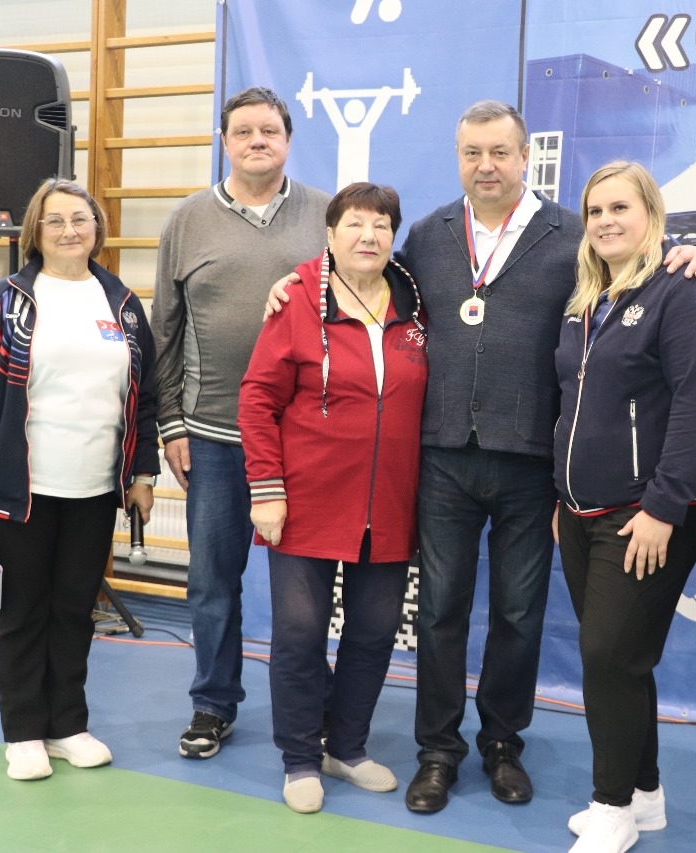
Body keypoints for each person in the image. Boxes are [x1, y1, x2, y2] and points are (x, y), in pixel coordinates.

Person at [266, 100, 696, 814]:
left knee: (519, 613)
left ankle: (503, 743)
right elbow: (361, 276)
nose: (486, 166)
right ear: (458, 158)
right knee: (440, 612)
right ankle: (437, 751)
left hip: (531, 462)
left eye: (500, 152)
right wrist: (298, 280)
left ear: (525, 156)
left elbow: (634, 268)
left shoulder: (572, 235)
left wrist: (688, 254)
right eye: (472, 153)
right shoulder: (429, 234)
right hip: (443, 457)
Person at [0, 178, 159, 781]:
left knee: (73, 611)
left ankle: (67, 725)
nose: (70, 230)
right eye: (55, 220)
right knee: (21, 612)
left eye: (80, 219)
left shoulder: (122, 303)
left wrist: (142, 472)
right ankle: (23, 733)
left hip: (94, 490)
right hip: (20, 491)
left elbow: (143, 398)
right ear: (35, 231)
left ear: (97, 228)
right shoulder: (5, 301)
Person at [152, 86, 331, 759]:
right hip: (213, 437)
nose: (258, 140)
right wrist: (171, 423)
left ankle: (310, 707)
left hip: (306, 439)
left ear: (288, 140)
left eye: (270, 131)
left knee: (306, 588)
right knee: (212, 582)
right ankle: (212, 704)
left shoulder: (327, 214)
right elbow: (165, 330)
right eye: (244, 131)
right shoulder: (187, 220)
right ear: (224, 142)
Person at [239, 182, 427, 814]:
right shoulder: (297, 299)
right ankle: (299, 758)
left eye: (381, 225)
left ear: (393, 236)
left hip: (390, 505)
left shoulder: (417, 303)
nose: (368, 236)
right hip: (303, 500)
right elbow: (257, 399)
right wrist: (267, 489)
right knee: (299, 634)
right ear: (329, 233)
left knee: (373, 634)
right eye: (354, 224)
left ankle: (346, 748)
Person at [554, 162, 696, 853]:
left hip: (645, 514)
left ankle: (612, 806)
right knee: (620, 661)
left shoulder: (684, 290)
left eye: (620, 207)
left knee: (607, 655)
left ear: (652, 214)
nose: (605, 221)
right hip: (581, 513)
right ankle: (645, 795)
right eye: (595, 211)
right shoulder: (585, 299)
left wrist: (662, 507)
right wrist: (561, 495)